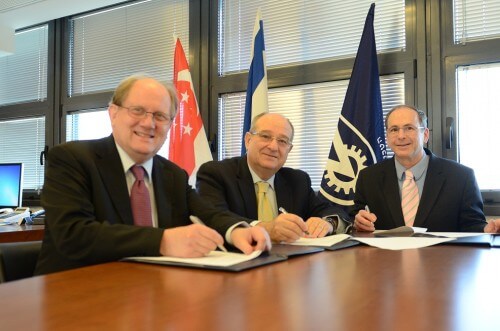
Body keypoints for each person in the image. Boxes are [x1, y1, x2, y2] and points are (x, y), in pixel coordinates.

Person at [35, 74, 270, 275]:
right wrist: (163, 241)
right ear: (113, 113)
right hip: (75, 294)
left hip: (153, 291)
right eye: (138, 110)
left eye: (160, 116)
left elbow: (207, 212)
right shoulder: (72, 159)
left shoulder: (173, 174)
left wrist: (237, 230)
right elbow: (73, 234)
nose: (149, 123)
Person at [196, 112, 350, 243]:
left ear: (289, 149)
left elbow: (332, 210)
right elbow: (214, 219)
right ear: (248, 140)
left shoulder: (297, 180)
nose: (273, 147)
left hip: (288, 268)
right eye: (265, 136)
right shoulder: (216, 173)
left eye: (282, 141)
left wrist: (328, 223)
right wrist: (266, 229)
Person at [352, 104, 500, 233]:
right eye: (394, 130)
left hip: (443, 263)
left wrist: (488, 229)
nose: (401, 136)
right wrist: (358, 223)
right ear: (387, 137)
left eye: (409, 128)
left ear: (426, 134)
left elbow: (473, 225)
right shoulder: (368, 178)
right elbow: (355, 219)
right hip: (386, 263)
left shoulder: (461, 177)